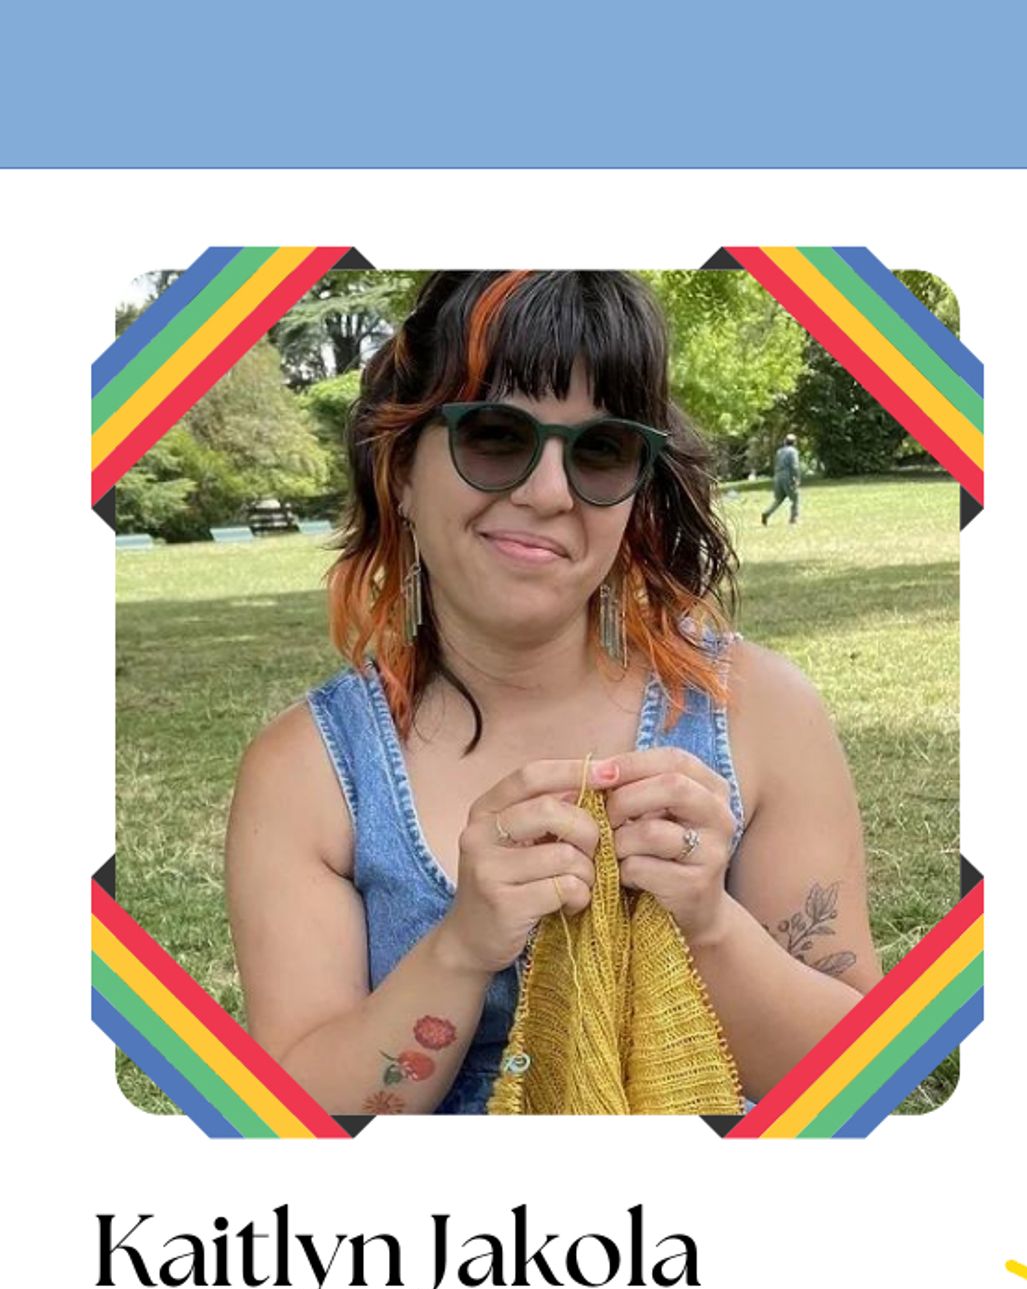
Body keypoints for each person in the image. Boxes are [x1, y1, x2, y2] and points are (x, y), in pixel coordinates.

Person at [225, 270, 878, 1115]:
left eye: (601, 451)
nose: (548, 493)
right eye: (496, 437)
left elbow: (863, 1084)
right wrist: (462, 948)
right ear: (401, 472)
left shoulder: (760, 711)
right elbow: (293, 1123)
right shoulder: (307, 772)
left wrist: (711, 926)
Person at [762, 433, 802, 525]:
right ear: (794, 442)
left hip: (778, 476)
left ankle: (766, 513)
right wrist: (796, 478)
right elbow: (794, 466)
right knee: (795, 498)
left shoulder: (779, 451)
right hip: (787, 476)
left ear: (785, 442)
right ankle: (793, 519)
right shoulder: (793, 451)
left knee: (778, 499)